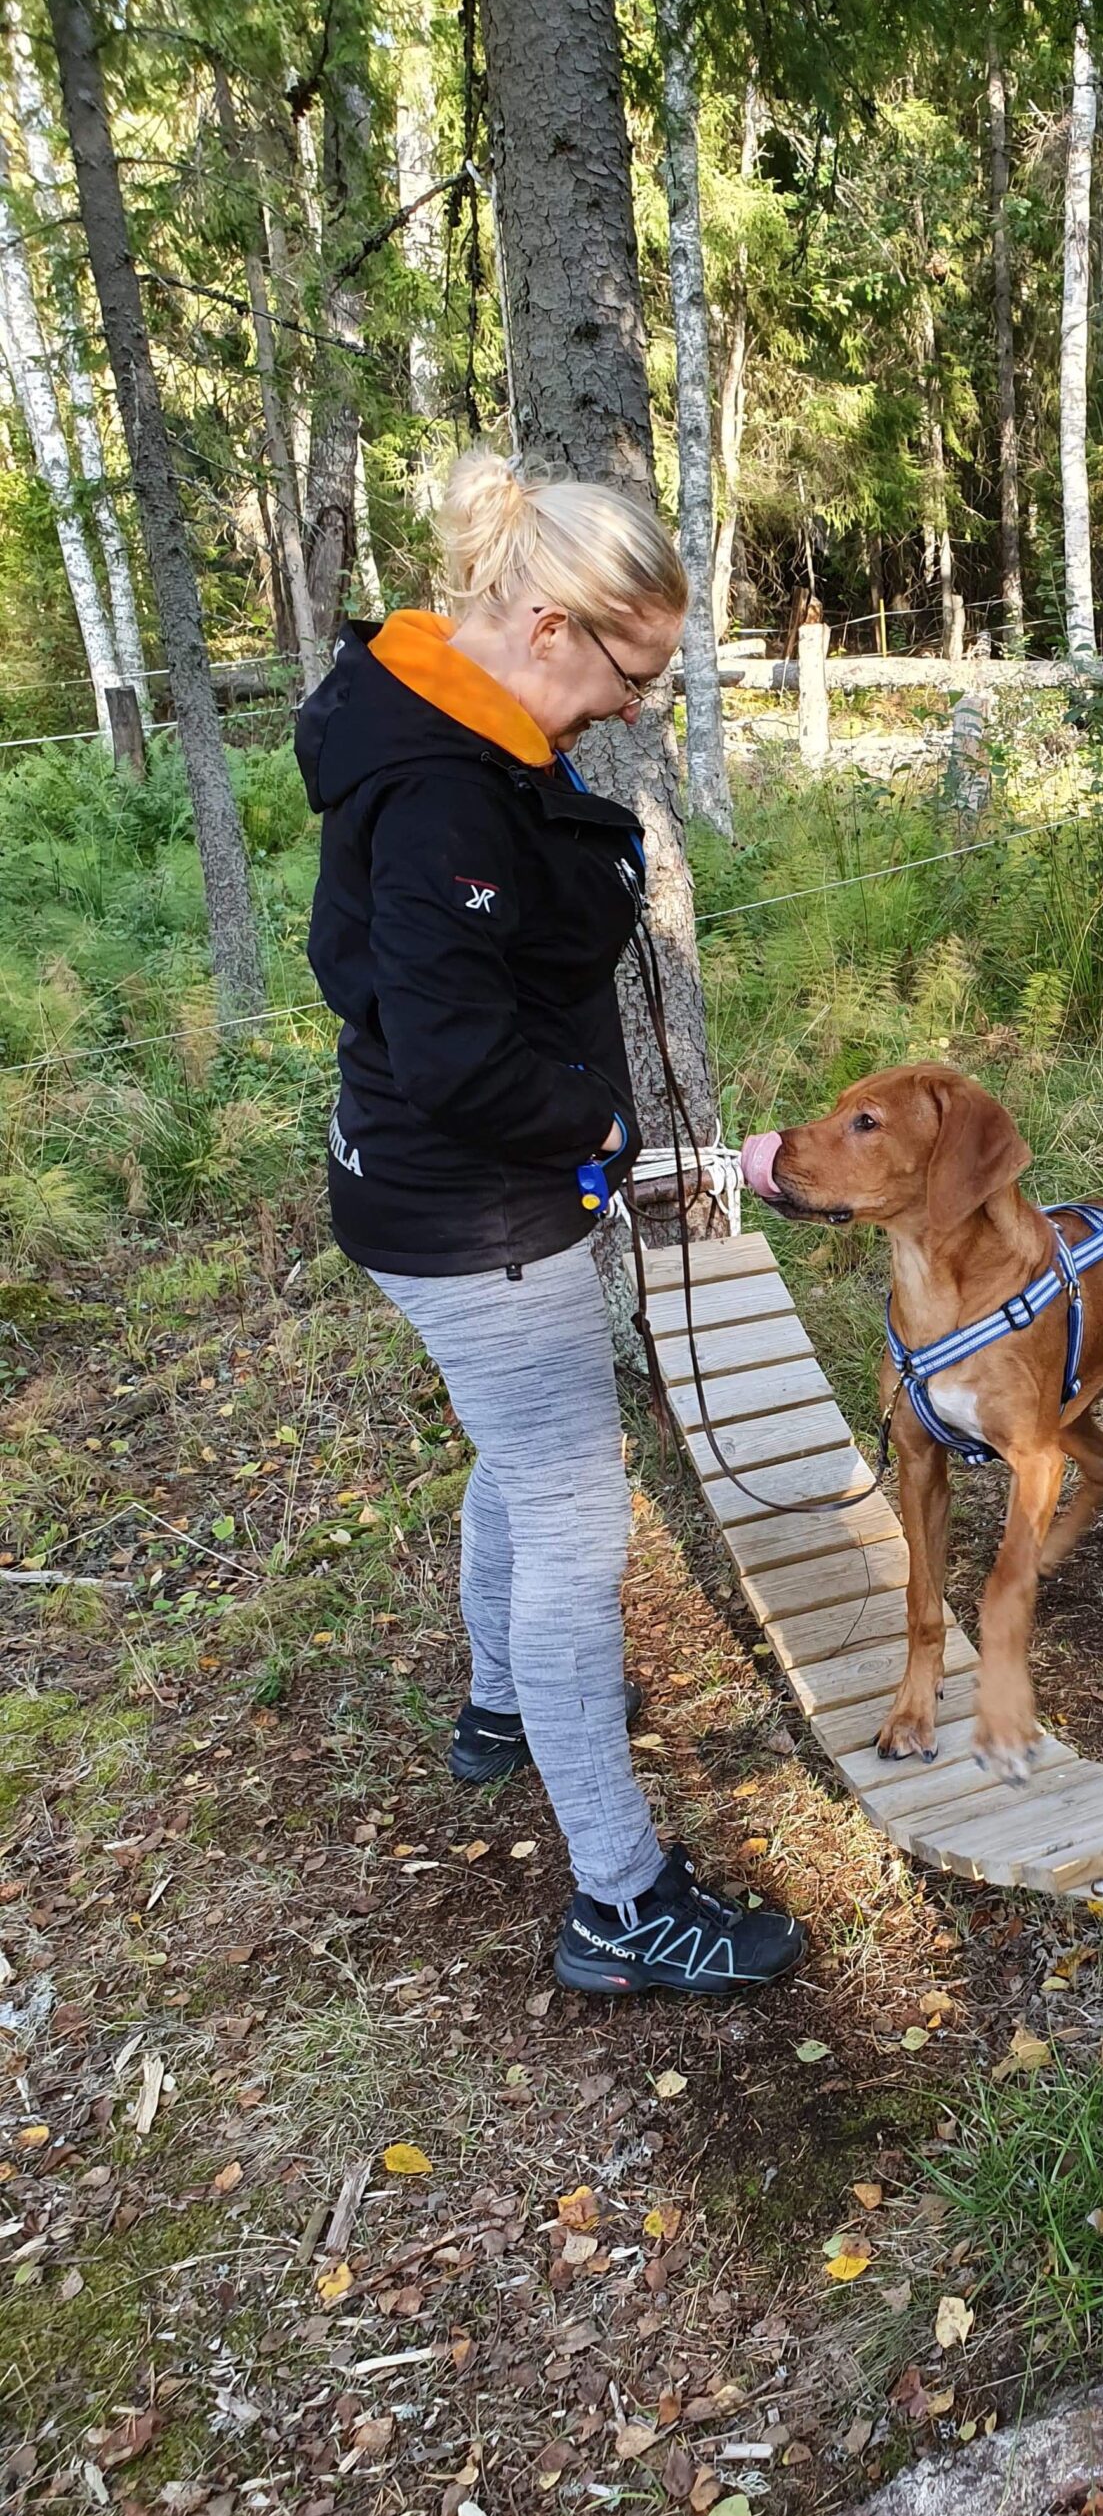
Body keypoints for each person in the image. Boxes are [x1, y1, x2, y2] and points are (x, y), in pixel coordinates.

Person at [297, 448, 807, 1998]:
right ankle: (621, 1900)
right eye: (631, 673)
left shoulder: (456, 722)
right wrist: (596, 1129)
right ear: (549, 627)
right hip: (473, 1220)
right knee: (578, 1524)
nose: (636, 709)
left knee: (517, 1459)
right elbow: (454, 1051)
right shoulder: (447, 784)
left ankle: (499, 1707)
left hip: (431, 1199)